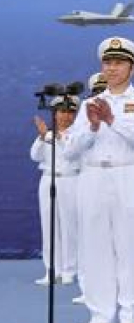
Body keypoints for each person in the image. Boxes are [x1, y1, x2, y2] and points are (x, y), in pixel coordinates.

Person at [62, 37, 134, 323]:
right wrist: (92, 126)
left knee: (129, 245)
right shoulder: (88, 104)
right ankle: (100, 315)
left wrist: (111, 119)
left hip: (128, 173)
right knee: (94, 247)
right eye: (107, 62)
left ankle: (130, 314)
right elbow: (70, 150)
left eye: (118, 63)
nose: (111, 68)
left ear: (132, 68)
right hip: (92, 176)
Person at [30, 95, 81, 287]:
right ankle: (52, 269)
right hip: (48, 179)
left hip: (70, 180)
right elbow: (35, 156)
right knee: (49, 226)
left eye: (70, 112)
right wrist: (43, 137)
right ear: (54, 113)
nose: (66, 116)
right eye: (62, 112)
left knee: (70, 227)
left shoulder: (79, 135)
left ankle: (69, 269)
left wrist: (54, 137)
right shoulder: (47, 134)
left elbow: (72, 153)